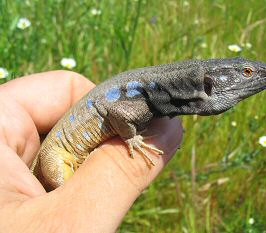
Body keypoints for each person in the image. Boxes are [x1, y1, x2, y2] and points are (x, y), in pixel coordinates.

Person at [0, 71, 183, 232]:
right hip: (55, 156)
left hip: (60, 154)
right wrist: (130, 138)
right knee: (70, 201)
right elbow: (118, 112)